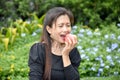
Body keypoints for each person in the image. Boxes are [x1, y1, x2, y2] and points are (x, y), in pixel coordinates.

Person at [28, 7, 81, 80]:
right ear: (49, 29)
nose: (65, 30)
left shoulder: (73, 51)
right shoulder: (38, 50)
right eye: (60, 26)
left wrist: (65, 55)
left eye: (68, 25)